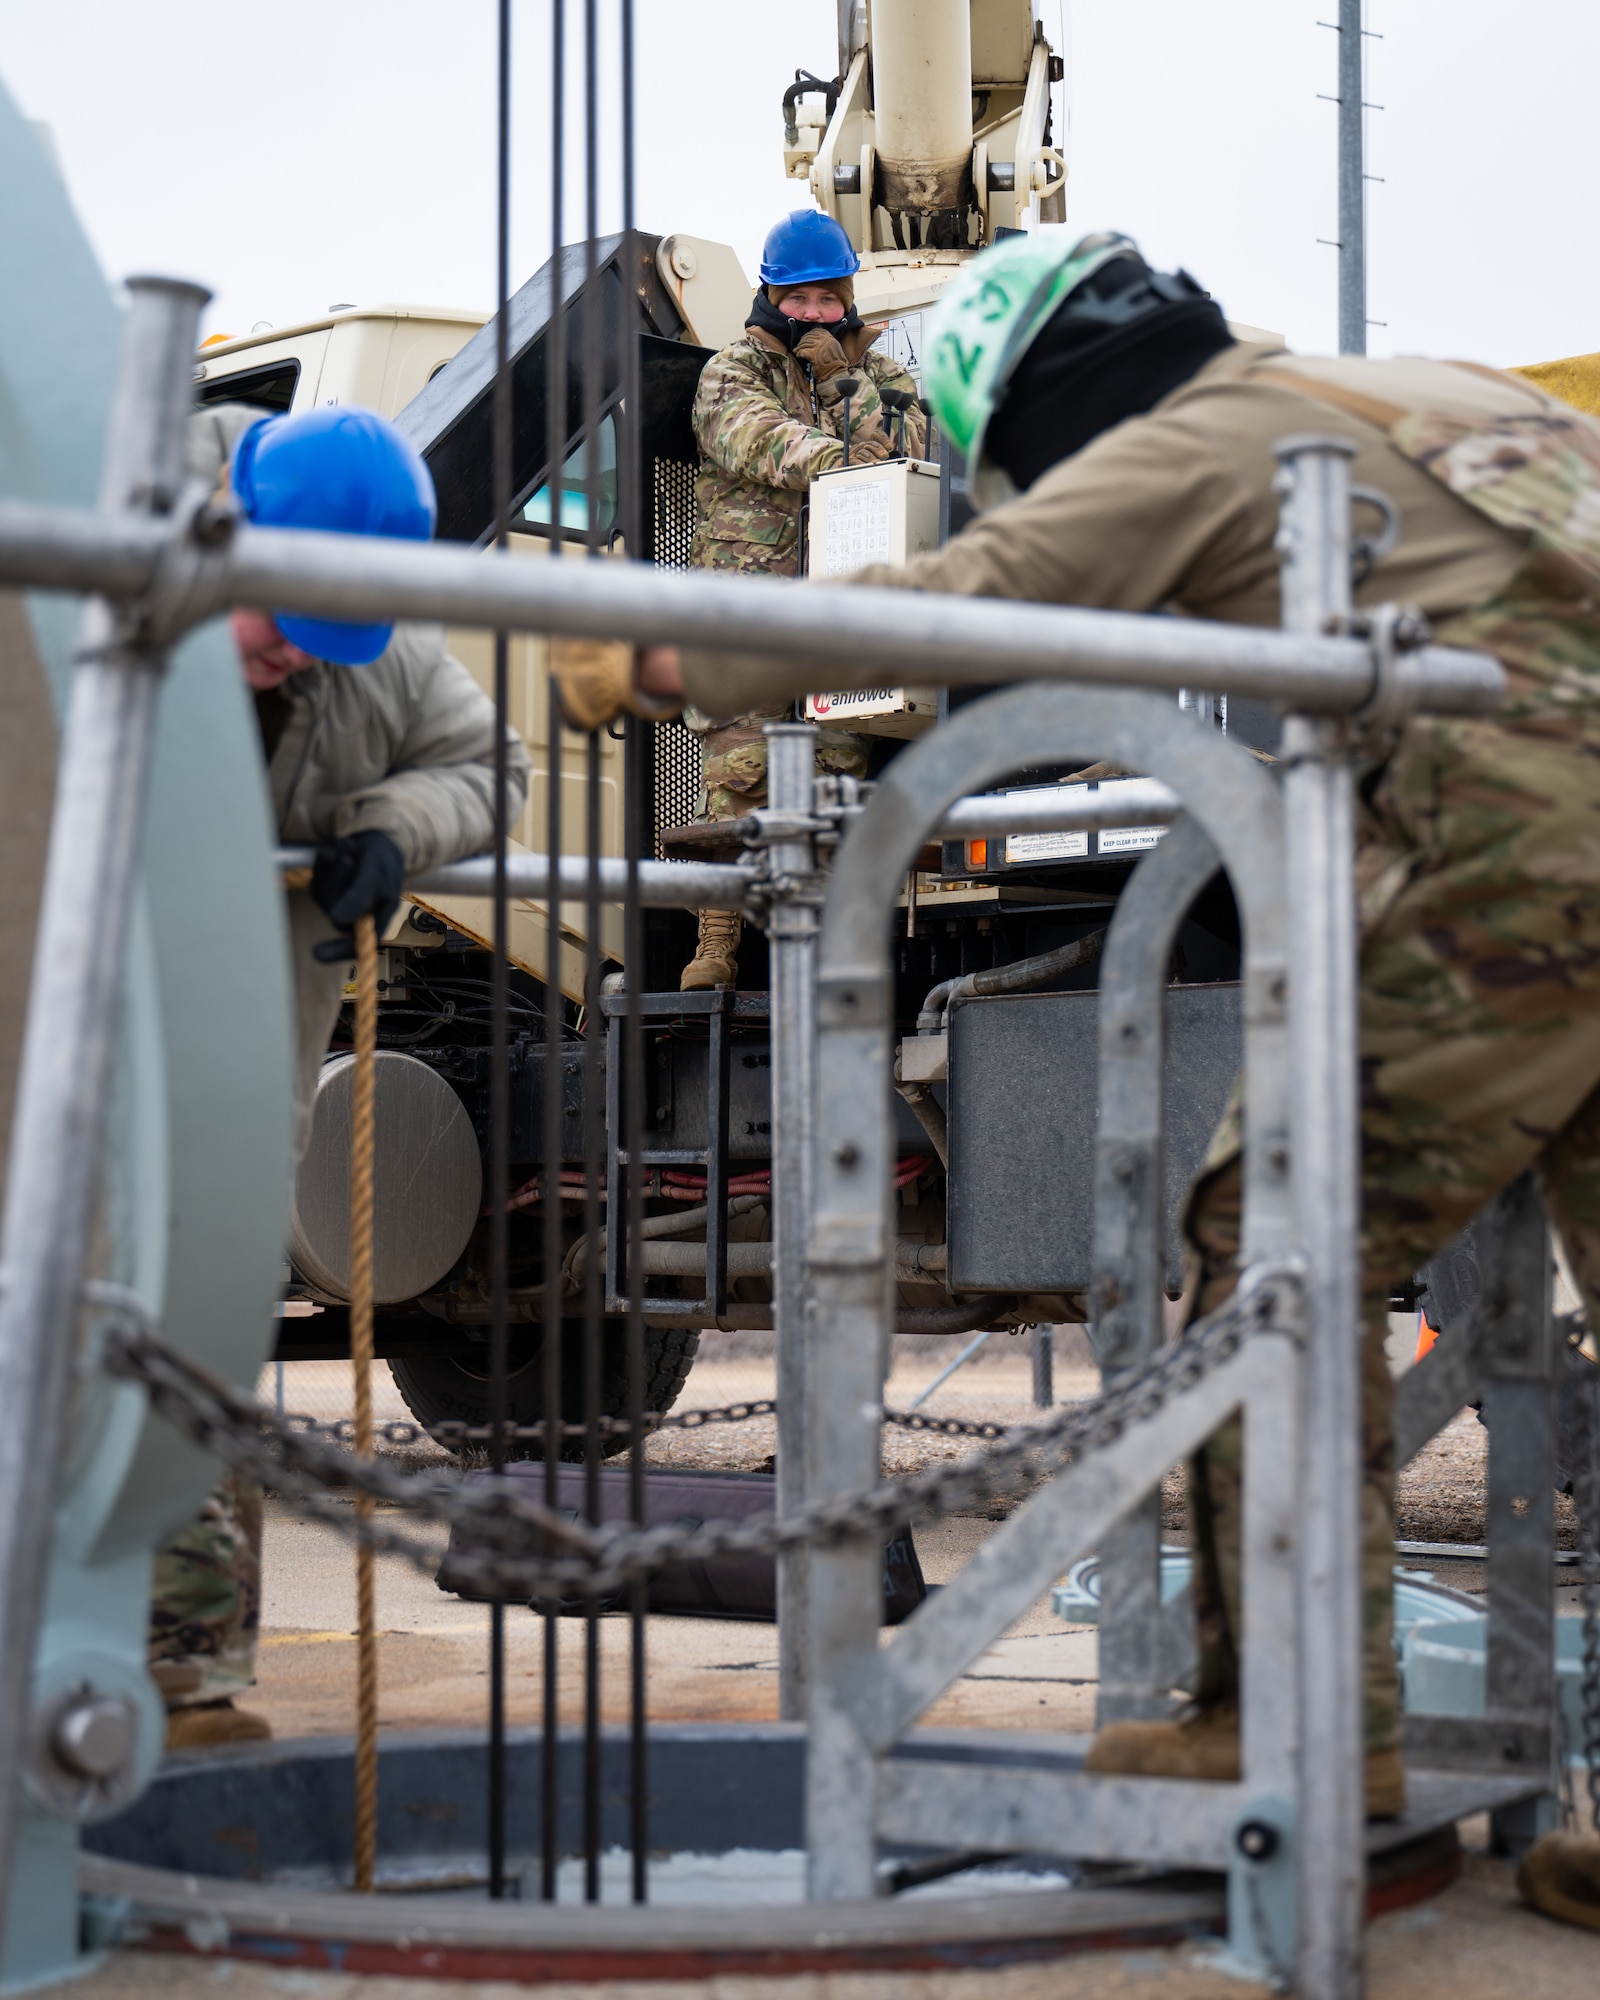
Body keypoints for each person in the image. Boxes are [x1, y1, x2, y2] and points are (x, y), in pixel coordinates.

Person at [554, 227, 1600, 1924]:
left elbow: (954, 608)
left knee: (1261, 1251)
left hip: (1524, 859)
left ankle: (1301, 1722)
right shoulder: (1417, 390)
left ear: (1054, 395)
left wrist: (663, 656)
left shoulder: (1185, 443)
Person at [151, 404, 531, 1749]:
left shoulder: (377, 652)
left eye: (320, 632)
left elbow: (494, 767)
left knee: (194, 1348)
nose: (284, 652)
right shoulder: (98, 567)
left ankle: (180, 1682)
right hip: (59, 1034)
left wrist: (388, 828)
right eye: (275, 617)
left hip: (236, 1050)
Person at [676, 207, 925, 991]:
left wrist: (843, 381)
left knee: (835, 781)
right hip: (747, 610)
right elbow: (761, 441)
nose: (814, 314)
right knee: (738, 778)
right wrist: (847, 453)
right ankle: (718, 942)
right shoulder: (731, 371)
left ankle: (822, 955)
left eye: (827, 300)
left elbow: (914, 444)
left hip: (842, 613)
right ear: (770, 296)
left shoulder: (874, 373)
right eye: (798, 300)